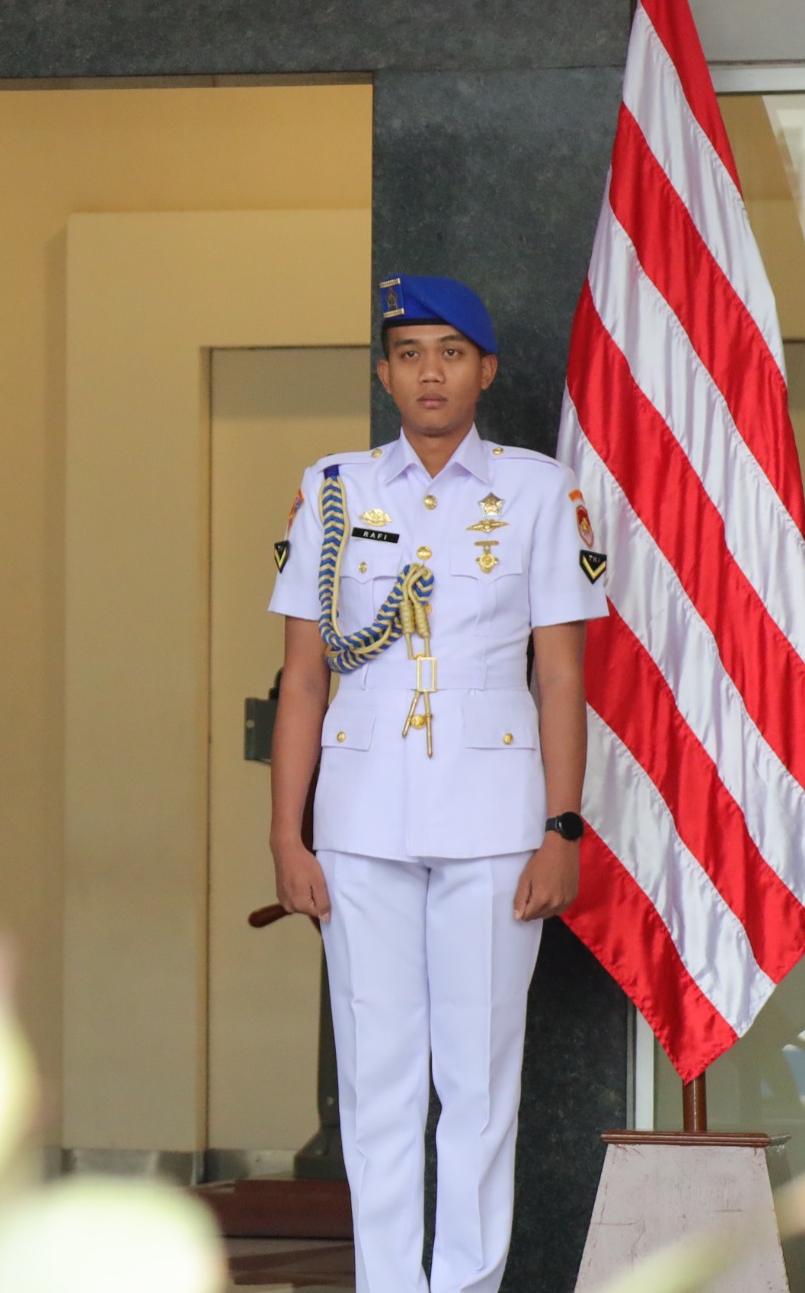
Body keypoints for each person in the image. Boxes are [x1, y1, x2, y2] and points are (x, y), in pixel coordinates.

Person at [264, 274, 606, 1293]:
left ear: (485, 371)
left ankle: (463, 1284)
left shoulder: (539, 491)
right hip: (360, 821)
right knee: (376, 1086)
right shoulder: (334, 489)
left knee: (478, 1084)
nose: (429, 372)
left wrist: (561, 827)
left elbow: (560, 675)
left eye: (450, 353)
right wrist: (286, 835)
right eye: (409, 353)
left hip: (495, 821)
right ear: (383, 373)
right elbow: (301, 679)